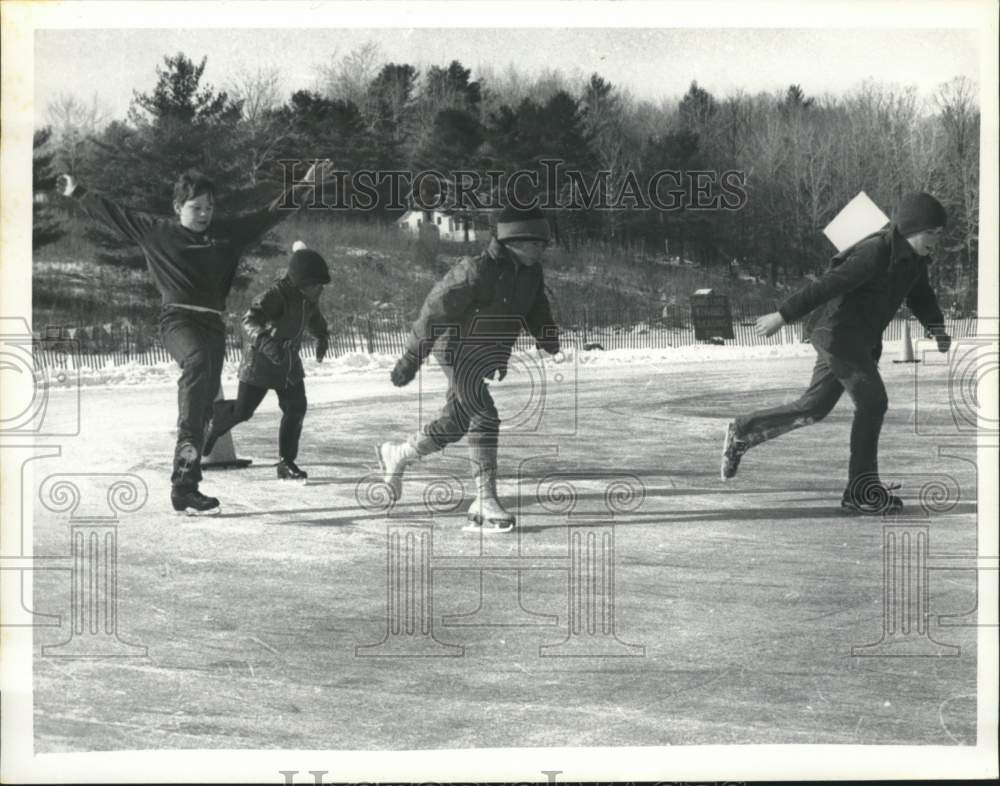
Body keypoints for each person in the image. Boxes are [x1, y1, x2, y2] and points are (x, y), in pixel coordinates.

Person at [57, 160, 334, 515]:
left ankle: (186, 486)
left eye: (209, 207)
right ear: (178, 208)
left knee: (202, 409)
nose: (204, 214)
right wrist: (77, 191)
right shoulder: (157, 232)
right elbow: (115, 213)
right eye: (196, 207)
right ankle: (185, 478)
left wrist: (305, 186)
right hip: (177, 319)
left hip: (212, 325)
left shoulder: (226, 234)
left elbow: (268, 213)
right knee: (198, 367)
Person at [721, 192, 952, 515]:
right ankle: (860, 490)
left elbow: (921, 297)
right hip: (839, 337)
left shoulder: (914, 262)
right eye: (933, 234)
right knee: (873, 402)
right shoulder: (875, 253)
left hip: (857, 341)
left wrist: (937, 328)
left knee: (814, 408)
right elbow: (826, 286)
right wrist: (782, 315)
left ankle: (745, 429)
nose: (936, 243)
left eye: (941, 236)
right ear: (913, 228)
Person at [377, 205, 560, 533]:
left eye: (544, 244)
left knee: (456, 421)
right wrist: (410, 359)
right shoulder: (476, 271)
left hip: (486, 356)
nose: (542, 249)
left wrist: (547, 336)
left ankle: (399, 454)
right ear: (514, 240)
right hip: (456, 351)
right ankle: (484, 499)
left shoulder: (531, 273)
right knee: (483, 413)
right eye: (537, 243)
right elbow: (434, 311)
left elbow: (536, 307)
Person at [202, 242, 331, 480]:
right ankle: (218, 418)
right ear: (301, 282)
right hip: (260, 362)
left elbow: (313, 317)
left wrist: (322, 336)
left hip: (288, 362)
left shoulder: (308, 298)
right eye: (316, 284)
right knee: (243, 412)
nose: (320, 289)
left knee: (296, 409)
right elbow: (248, 320)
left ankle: (286, 462)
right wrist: (265, 341)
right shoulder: (276, 294)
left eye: (321, 285)